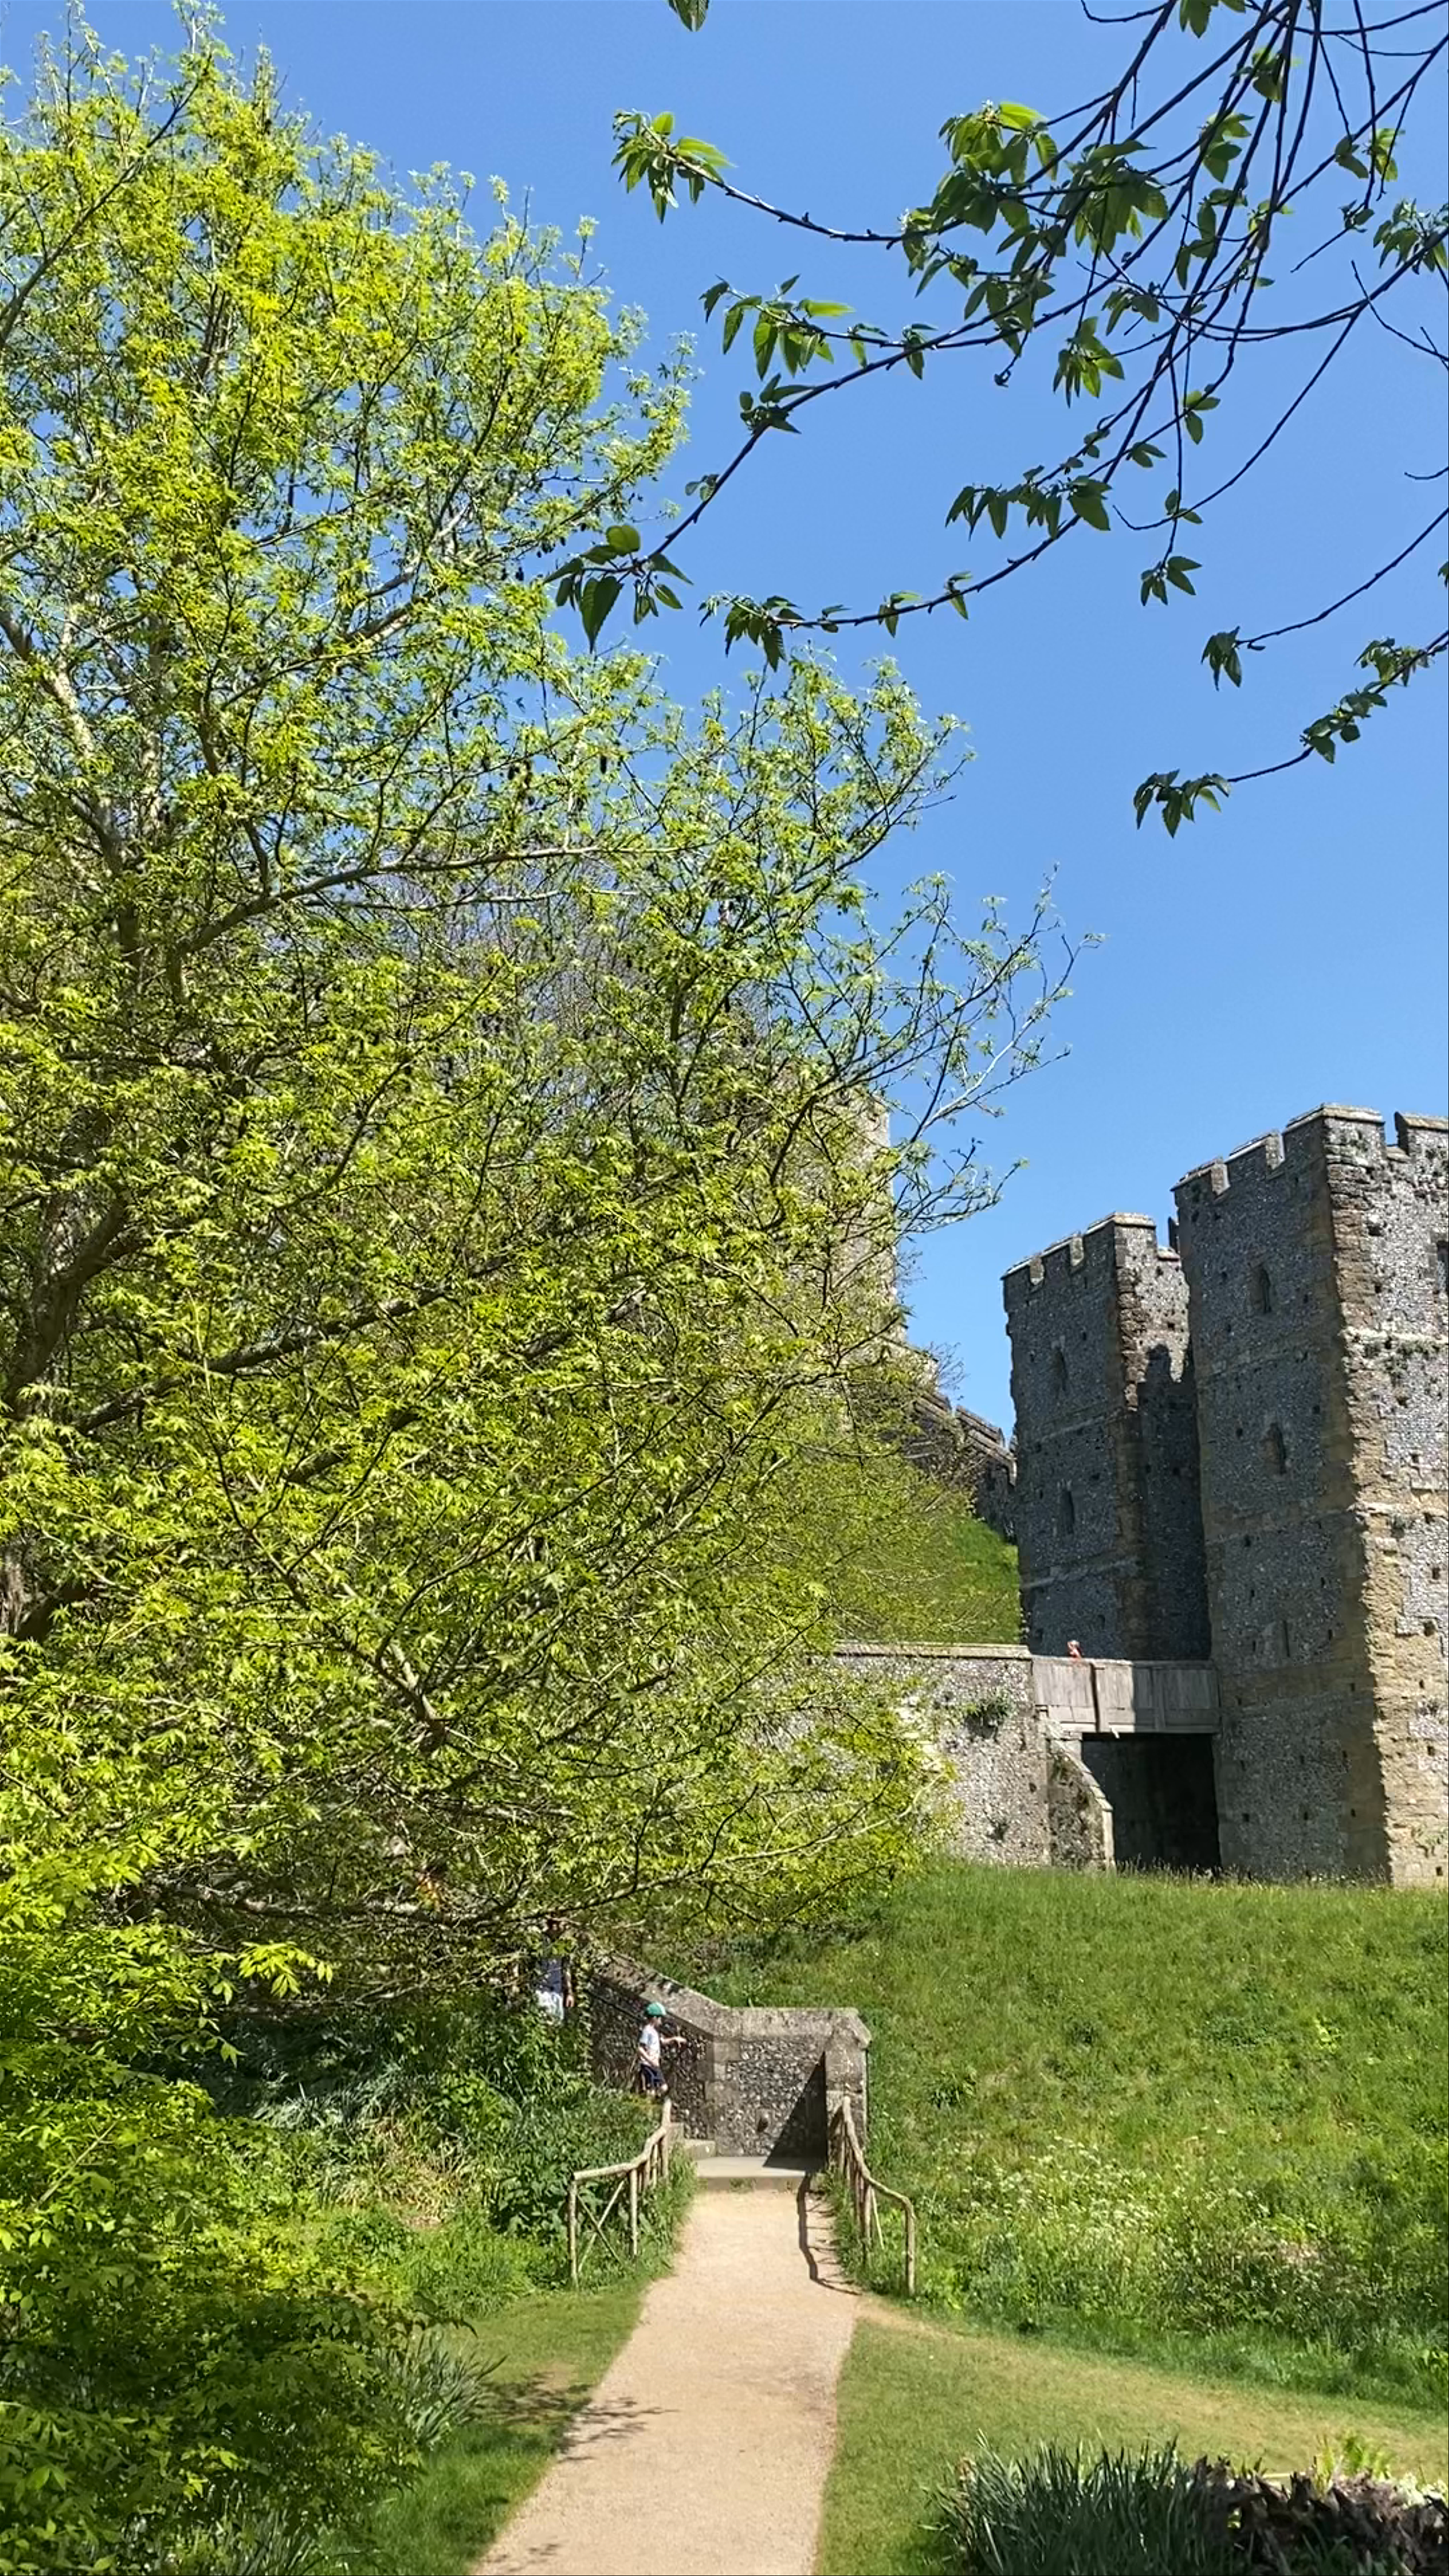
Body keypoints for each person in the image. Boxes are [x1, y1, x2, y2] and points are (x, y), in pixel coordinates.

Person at [636, 2001, 684, 2098]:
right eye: (660, 2019)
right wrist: (650, 2060)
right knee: (656, 2090)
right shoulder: (647, 2031)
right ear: (654, 2018)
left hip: (654, 2065)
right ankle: (648, 2104)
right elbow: (640, 2049)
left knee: (661, 2088)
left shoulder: (655, 2032)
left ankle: (651, 2101)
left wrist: (674, 2039)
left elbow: (662, 2042)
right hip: (649, 2065)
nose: (661, 2021)